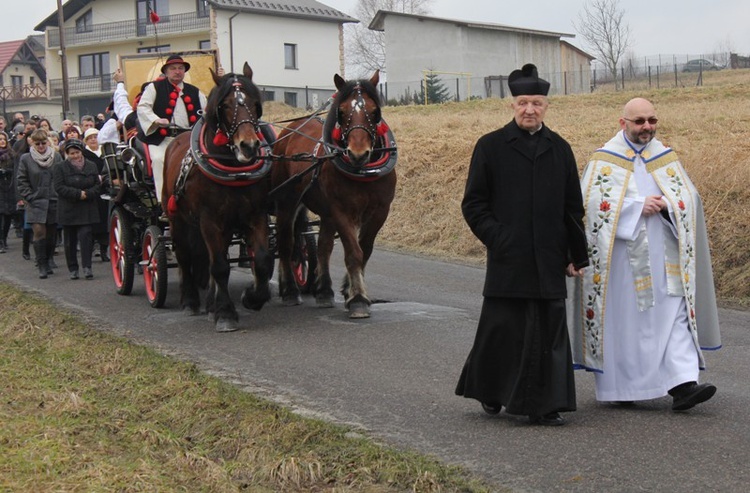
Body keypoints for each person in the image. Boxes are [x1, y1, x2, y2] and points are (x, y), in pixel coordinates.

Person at [455, 64, 589, 426]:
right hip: (508, 258)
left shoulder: (560, 149)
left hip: (548, 258)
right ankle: (490, 390)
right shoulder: (490, 146)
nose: (530, 109)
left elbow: (572, 208)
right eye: (523, 103)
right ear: (513, 105)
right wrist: (500, 238)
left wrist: (575, 255)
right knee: (503, 330)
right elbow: (474, 204)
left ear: (546, 106)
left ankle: (547, 404)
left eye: (537, 103)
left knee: (549, 331)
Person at [569, 97, 721, 411]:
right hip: (621, 263)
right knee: (626, 324)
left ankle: (683, 384)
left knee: (675, 315)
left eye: (652, 120)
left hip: (665, 256)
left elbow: (690, 199)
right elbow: (590, 206)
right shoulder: (604, 160)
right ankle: (622, 388)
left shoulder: (664, 156)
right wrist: (637, 208)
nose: (647, 128)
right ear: (622, 123)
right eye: (639, 122)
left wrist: (670, 204)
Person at [137, 54, 207, 206]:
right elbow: (143, 107)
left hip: (188, 140)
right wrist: (156, 120)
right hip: (162, 139)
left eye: (180, 68)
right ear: (166, 71)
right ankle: (164, 202)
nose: (177, 71)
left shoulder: (196, 92)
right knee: (159, 160)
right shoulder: (154, 88)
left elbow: (206, 113)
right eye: (173, 68)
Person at [52, 138, 105, 280]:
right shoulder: (60, 167)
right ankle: (73, 268)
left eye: (77, 152)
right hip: (69, 208)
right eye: (72, 153)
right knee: (70, 241)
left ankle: (87, 267)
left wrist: (87, 194)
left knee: (86, 236)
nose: (75, 156)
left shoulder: (91, 166)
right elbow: (59, 187)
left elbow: (97, 184)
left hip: (87, 206)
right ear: (67, 154)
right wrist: (77, 194)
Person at [16, 129, 63, 278]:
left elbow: (61, 176)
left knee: (51, 233)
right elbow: (21, 180)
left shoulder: (56, 157)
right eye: (38, 144)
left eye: (43, 143)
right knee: (39, 232)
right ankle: (41, 264)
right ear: (33, 144)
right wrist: (29, 196)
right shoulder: (26, 159)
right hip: (35, 201)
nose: (41, 146)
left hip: (53, 199)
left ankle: (49, 259)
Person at [82, 127, 110, 261]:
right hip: (91, 190)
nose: (93, 140)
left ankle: (104, 249)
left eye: (95, 137)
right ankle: (94, 247)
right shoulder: (83, 155)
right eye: (90, 138)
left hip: (105, 189)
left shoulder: (105, 153)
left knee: (105, 220)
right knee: (92, 221)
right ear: (86, 141)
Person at [0, 131, 16, 253]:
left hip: (9, 187)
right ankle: (1, 241)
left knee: (8, 215)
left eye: (3, 139)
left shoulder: (11, 155)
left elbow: (16, 169)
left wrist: (9, 171)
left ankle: (4, 238)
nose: (2, 141)